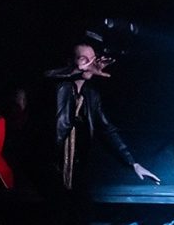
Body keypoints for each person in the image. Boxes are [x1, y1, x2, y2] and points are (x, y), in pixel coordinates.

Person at [53, 44, 160, 192]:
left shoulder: (91, 95)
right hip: (49, 165)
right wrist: (77, 71)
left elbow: (107, 129)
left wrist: (132, 163)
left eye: (93, 59)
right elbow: (48, 76)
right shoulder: (57, 87)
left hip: (74, 168)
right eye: (84, 60)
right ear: (70, 62)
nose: (91, 64)